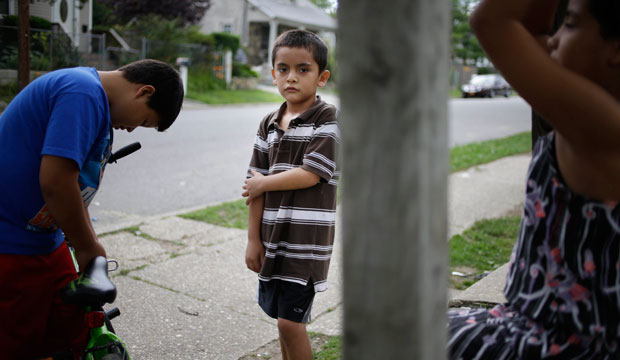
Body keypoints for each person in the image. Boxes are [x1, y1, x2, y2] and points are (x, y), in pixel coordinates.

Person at [447, 0, 620, 358]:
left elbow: (492, 21)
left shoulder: (603, 131)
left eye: (570, 24)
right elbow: (530, 31)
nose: (553, 40)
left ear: (615, 49)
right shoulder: (593, 121)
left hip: (556, 345)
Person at [0, 59, 184, 359]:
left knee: (66, 331)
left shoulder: (96, 107)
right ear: (143, 92)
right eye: (144, 121)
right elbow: (57, 182)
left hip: (44, 241)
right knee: (15, 344)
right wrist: (88, 246)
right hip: (10, 244)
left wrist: (87, 242)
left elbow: (75, 189)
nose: (131, 128)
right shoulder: (82, 92)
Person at [242, 29, 338, 360]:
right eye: (283, 69)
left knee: (290, 324)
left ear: (321, 76)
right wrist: (253, 239)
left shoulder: (328, 118)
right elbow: (252, 186)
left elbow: (313, 173)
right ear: (273, 74)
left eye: (303, 69)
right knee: (280, 320)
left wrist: (263, 184)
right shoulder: (268, 123)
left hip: (305, 244)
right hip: (272, 240)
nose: (291, 78)